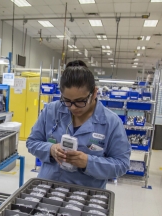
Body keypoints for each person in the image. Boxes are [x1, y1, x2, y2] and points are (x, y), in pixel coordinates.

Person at [26, 60, 131, 189]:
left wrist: (88, 162)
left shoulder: (111, 122)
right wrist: (50, 149)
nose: (73, 107)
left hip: (87, 195)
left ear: (94, 93)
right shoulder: (52, 111)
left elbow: (122, 164)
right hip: (47, 188)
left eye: (80, 101)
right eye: (67, 101)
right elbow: (32, 142)